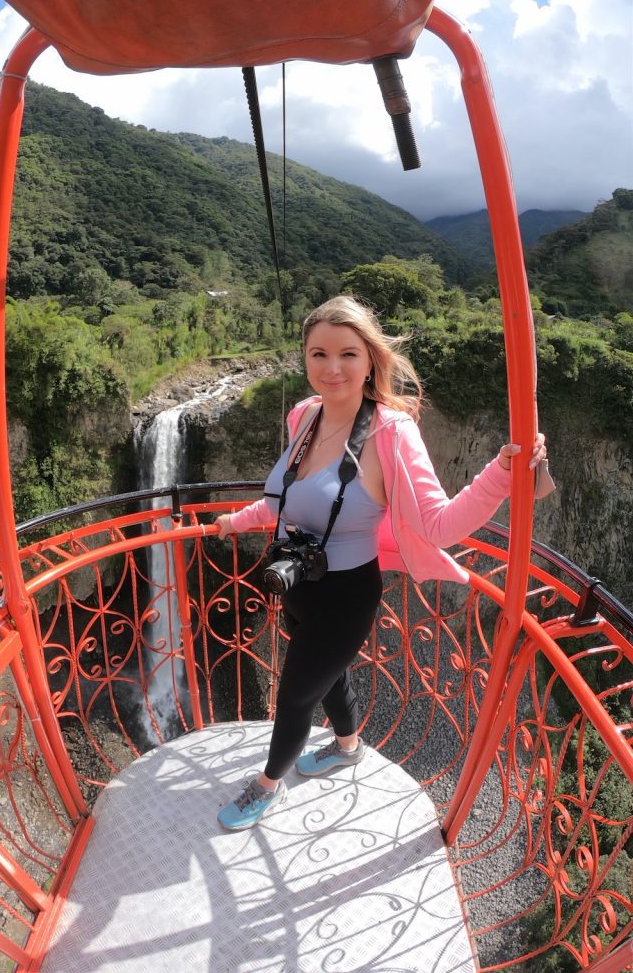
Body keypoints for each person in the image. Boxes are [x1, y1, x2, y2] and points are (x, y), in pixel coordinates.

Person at [213, 295, 547, 832]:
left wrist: (501, 475)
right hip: (294, 580)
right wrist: (236, 521)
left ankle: (266, 785)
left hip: (345, 595)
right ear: (305, 357)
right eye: (319, 353)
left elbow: (439, 524)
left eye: (348, 354)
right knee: (328, 673)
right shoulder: (304, 415)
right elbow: (286, 499)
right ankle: (347, 747)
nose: (332, 367)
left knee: (295, 695)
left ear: (370, 359)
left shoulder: (390, 432)